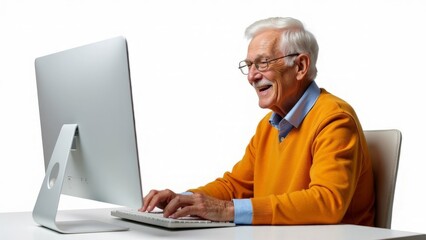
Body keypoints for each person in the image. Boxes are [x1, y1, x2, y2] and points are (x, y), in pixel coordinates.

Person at [140, 17, 375, 226]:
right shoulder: (268, 126)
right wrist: (184, 199)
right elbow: (235, 186)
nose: (252, 76)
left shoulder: (334, 118)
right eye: (249, 65)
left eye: (263, 63)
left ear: (300, 66)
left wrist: (227, 210)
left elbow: (327, 202)